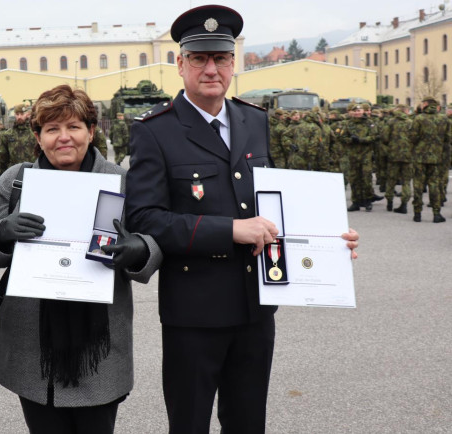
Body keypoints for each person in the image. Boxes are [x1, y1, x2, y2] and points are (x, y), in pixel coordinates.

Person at [124, 6, 360, 433]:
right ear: (180, 64)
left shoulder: (254, 120)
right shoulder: (155, 130)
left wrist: (330, 241)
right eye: (200, 58)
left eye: (222, 57)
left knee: (249, 423)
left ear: (234, 62)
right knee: (190, 423)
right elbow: (144, 217)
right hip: (193, 314)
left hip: (255, 308)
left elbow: (276, 202)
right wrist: (228, 230)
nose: (211, 68)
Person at [0, 84, 163, 434]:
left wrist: (138, 249)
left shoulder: (122, 182)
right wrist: (3, 231)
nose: (64, 138)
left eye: (74, 127)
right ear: (38, 135)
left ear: (91, 131)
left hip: (100, 349)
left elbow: (154, 243)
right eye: (52, 129)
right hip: (32, 348)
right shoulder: (17, 180)